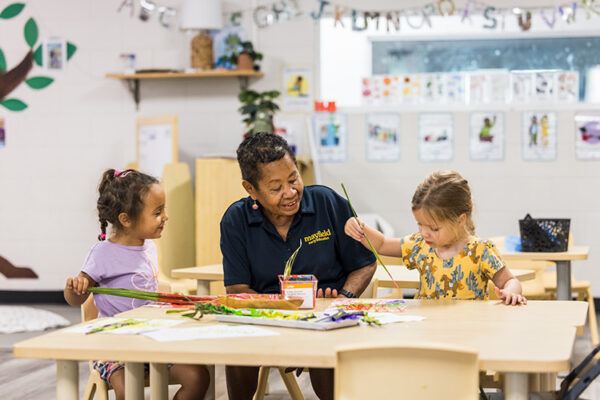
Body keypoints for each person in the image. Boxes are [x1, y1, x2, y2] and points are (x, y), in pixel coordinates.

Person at [220, 132, 377, 400]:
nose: (290, 193)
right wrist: (286, 317)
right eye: (275, 187)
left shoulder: (327, 203)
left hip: (326, 318)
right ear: (250, 189)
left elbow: (365, 263)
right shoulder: (236, 220)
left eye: (294, 179)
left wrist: (343, 298)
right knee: (236, 349)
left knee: (326, 353)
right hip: (267, 319)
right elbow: (238, 289)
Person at [64, 169, 209, 400]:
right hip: (114, 345)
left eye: (164, 209)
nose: (166, 217)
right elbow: (75, 300)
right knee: (127, 391)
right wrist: (74, 288)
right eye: (158, 212)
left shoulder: (149, 245)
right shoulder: (102, 254)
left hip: (152, 338)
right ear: (126, 219)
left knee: (198, 377)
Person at [345, 170, 526, 306]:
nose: (424, 232)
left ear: (460, 220)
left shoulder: (480, 250)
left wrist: (511, 292)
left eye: (433, 228)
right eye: (420, 224)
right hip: (427, 330)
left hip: (469, 331)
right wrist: (359, 227)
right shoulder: (419, 245)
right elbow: (383, 244)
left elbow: (510, 281)